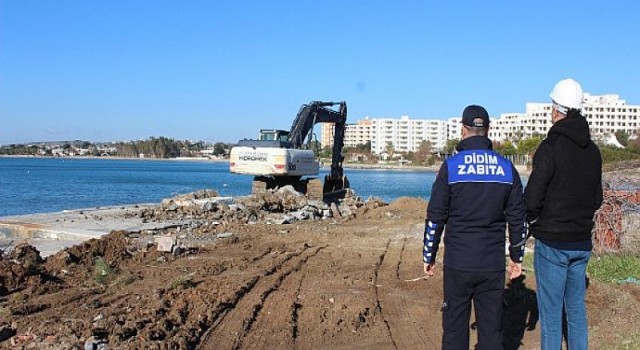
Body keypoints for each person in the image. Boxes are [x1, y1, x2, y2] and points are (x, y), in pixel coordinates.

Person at [423, 104, 527, 350]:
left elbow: (436, 216)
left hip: (458, 263)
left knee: (455, 328)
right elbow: (518, 218)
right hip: (491, 265)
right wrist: (516, 257)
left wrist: (429, 255)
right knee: (491, 331)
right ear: (488, 130)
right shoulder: (506, 168)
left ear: (463, 130)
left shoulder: (450, 167)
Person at [525, 78, 603, 349]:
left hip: (552, 243)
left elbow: (532, 198)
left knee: (551, 316)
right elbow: (597, 198)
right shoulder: (593, 151)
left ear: (557, 109)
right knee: (576, 313)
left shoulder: (550, 148)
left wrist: (533, 219)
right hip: (581, 242)